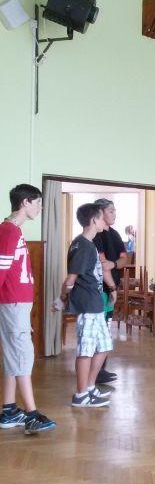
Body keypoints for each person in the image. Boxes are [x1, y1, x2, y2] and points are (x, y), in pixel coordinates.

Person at [0, 184, 56, 434]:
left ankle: (9, 410)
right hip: (12, 304)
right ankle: (32, 415)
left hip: (16, 306)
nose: (40, 208)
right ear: (25, 203)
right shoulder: (8, 231)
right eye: (38, 203)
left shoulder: (14, 230)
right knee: (22, 357)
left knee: (14, 355)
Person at [55, 203, 117, 408]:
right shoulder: (83, 246)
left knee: (104, 346)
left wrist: (111, 288)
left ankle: (89, 387)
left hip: (95, 304)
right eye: (101, 217)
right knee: (86, 350)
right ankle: (81, 395)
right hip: (88, 305)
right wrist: (62, 298)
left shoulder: (87, 244)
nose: (103, 221)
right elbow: (71, 278)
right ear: (93, 220)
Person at [92, 198, 127, 385]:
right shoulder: (96, 235)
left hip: (111, 287)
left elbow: (123, 259)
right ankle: (94, 372)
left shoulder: (114, 234)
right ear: (100, 213)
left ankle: (101, 370)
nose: (115, 214)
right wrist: (112, 287)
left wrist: (114, 264)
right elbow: (102, 264)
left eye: (115, 210)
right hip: (100, 290)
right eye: (111, 211)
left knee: (105, 329)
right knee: (98, 331)